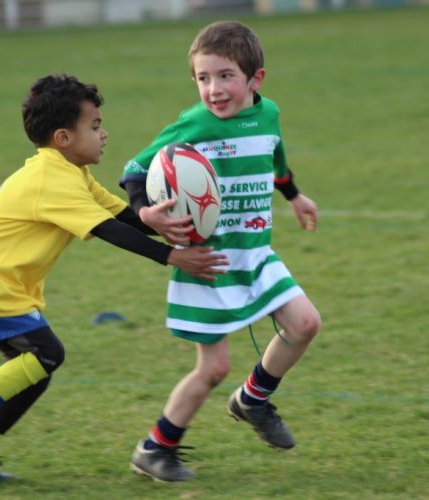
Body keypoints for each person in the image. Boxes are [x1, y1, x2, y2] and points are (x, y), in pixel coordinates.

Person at [0, 74, 228, 489]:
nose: (104, 134)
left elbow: (121, 215)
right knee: (46, 355)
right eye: (95, 126)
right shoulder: (52, 179)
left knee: (34, 369)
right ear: (64, 137)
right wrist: (171, 255)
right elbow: (107, 229)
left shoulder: (72, 173)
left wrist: (159, 220)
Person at [120, 21, 321, 482]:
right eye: (203, 78)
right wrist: (145, 212)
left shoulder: (269, 114)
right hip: (207, 263)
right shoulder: (196, 123)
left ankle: (252, 399)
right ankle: (155, 449)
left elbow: (274, 158)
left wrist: (294, 196)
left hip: (256, 253)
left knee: (305, 324)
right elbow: (134, 168)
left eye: (225, 76)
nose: (213, 89)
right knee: (213, 369)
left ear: (255, 79)